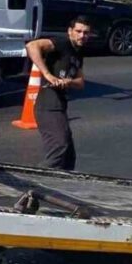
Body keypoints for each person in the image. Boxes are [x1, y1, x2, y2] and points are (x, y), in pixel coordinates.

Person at [25, 16, 89, 170]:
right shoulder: (63, 43)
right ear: (70, 31)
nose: (82, 36)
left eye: (86, 33)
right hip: (48, 106)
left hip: (60, 107)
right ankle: (38, 184)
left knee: (68, 156)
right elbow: (32, 46)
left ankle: (63, 186)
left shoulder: (78, 53)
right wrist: (47, 74)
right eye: (78, 31)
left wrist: (69, 82)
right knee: (59, 147)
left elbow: (80, 83)